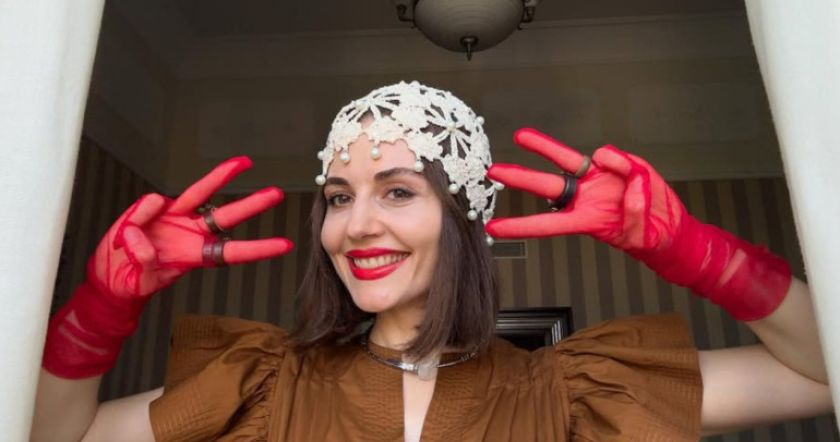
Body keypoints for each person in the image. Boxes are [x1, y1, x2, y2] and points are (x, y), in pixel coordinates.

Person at [32, 82, 832, 441]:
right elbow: (48, 438)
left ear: (462, 221)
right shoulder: (263, 387)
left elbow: (821, 374)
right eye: (338, 197)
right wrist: (101, 307)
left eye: (397, 191)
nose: (356, 226)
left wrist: (694, 252)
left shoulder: (569, 393)